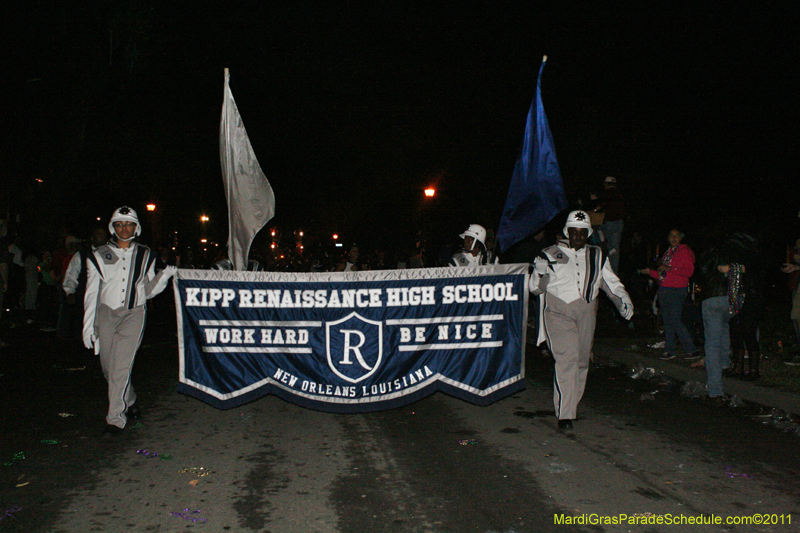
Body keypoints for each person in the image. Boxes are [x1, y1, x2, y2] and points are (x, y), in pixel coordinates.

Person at [530, 210, 633, 431]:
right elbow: (535, 289)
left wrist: (623, 300)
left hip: (587, 311)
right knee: (567, 359)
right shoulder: (550, 253)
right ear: (568, 232)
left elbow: (611, 283)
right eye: (574, 232)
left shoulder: (597, 254)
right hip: (558, 311)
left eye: (582, 232)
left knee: (582, 361)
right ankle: (565, 415)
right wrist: (539, 273)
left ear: (588, 233)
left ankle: (570, 405)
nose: (578, 236)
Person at [83, 207, 176, 434]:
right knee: (108, 368)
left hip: (134, 313)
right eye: (119, 224)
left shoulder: (146, 255)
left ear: (136, 227)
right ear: (112, 227)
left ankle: (115, 418)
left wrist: (164, 277)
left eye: (129, 224)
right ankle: (130, 398)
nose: (124, 228)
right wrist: (88, 326)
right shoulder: (98, 255)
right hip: (106, 314)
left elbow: (149, 290)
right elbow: (92, 293)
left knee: (120, 368)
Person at [639, 229, 701, 360]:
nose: (674, 238)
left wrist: (671, 268)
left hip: (677, 289)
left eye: (677, 236)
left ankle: (692, 350)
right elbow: (663, 274)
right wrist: (650, 272)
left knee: (674, 319)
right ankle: (670, 350)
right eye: (671, 236)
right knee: (667, 321)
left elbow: (689, 271)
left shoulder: (684, 251)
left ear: (681, 238)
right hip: (664, 288)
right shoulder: (668, 252)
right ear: (668, 238)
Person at [63, 226, 109, 340]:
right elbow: (71, 275)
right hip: (85, 297)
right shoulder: (81, 255)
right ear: (92, 238)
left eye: (104, 234)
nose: (102, 236)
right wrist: (70, 292)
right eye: (99, 233)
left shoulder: (112, 255)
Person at [597, 176, 626, 273]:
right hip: (619, 223)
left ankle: (601, 269)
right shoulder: (620, 194)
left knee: (597, 236)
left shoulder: (608, 193)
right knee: (615, 249)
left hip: (610, 223)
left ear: (607, 184)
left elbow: (602, 205)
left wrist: (594, 210)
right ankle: (614, 273)